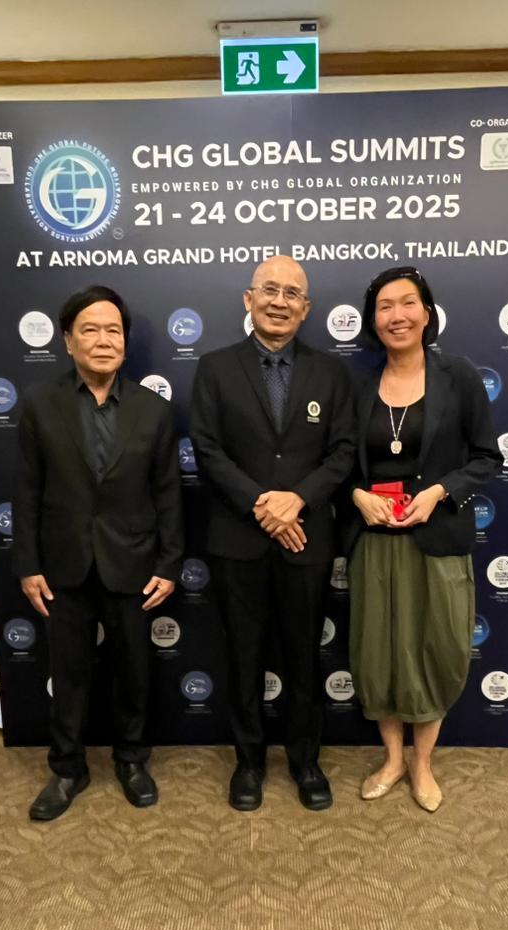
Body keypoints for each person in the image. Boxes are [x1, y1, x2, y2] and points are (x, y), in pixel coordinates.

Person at [190, 255, 355, 812]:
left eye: (292, 294)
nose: (279, 302)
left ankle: (306, 762)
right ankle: (249, 762)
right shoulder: (214, 368)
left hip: (307, 539)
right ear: (249, 299)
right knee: (243, 657)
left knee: (304, 655)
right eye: (270, 290)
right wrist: (263, 505)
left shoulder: (331, 373)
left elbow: (343, 452)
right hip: (238, 540)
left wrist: (297, 500)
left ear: (306, 309)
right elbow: (207, 448)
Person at [13, 285, 183, 821]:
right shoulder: (40, 403)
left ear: (125, 342)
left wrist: (169, 564)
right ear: (68, 340)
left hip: (133, 564)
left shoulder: (154, 410)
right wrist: (27, 564)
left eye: (114, 330)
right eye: (90, 329)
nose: (104, 340)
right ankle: (68, 768)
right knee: (68, 675)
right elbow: (26, 491)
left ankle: (131, 760)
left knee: (133, 671)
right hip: (63, 566)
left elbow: (168, 494)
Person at [346, 266, 502, 812]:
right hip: (376, 543)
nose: (397, 315)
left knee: (436, 647)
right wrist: (356, 494)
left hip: (437, 540)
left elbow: (487, 457)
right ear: (373, 321)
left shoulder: (458, 376)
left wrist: (439, 491)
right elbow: (339, 463)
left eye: (407, 303)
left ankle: (423, 762)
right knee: (380, 652)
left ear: (427, 313)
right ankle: (393, 758)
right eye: (385, 306)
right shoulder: (358, 387)